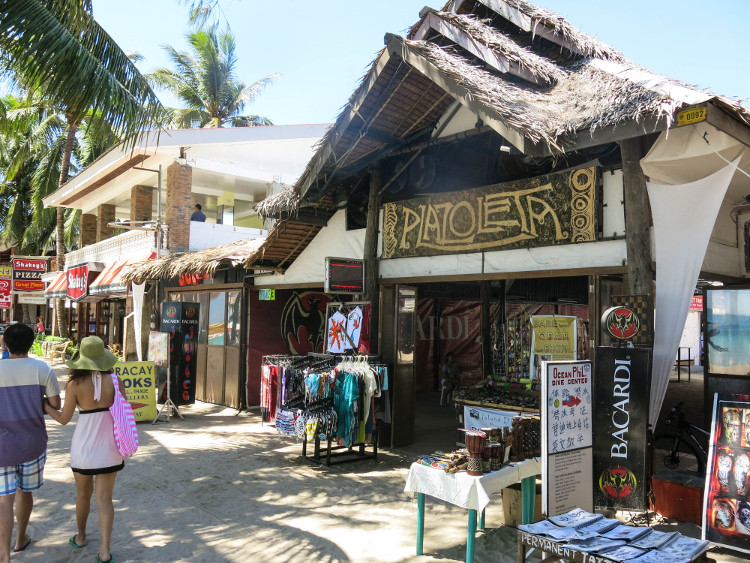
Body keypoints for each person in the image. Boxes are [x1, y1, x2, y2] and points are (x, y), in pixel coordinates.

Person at [44, 336, 123, 563]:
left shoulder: (74, 385)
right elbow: (123, 411)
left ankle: (80, 537)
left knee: (82, 495)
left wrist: (46, 406)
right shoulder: (116, 381)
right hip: (110, 446)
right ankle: (105, 551)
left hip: (84, 447)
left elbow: (63, 419)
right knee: (105, 499)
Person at [0, 323, 61, 561]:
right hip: (32, 443)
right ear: (31, 343)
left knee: (4, 498)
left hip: (2, 446)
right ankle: (20, 538)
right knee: (25, 492)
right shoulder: (42, 368)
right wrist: (38, 402)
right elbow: (55, 404)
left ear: (5, 344)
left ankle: (3, 553)